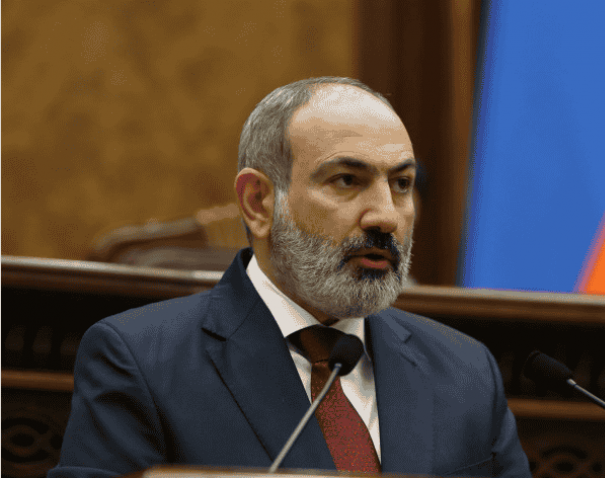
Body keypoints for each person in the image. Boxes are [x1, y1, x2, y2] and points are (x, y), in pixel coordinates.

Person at [49, 77, 532, 478]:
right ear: (259, 203)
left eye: (400, 184)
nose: (386, 216)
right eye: (347, 180)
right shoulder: (139, 360)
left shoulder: (466, 370)